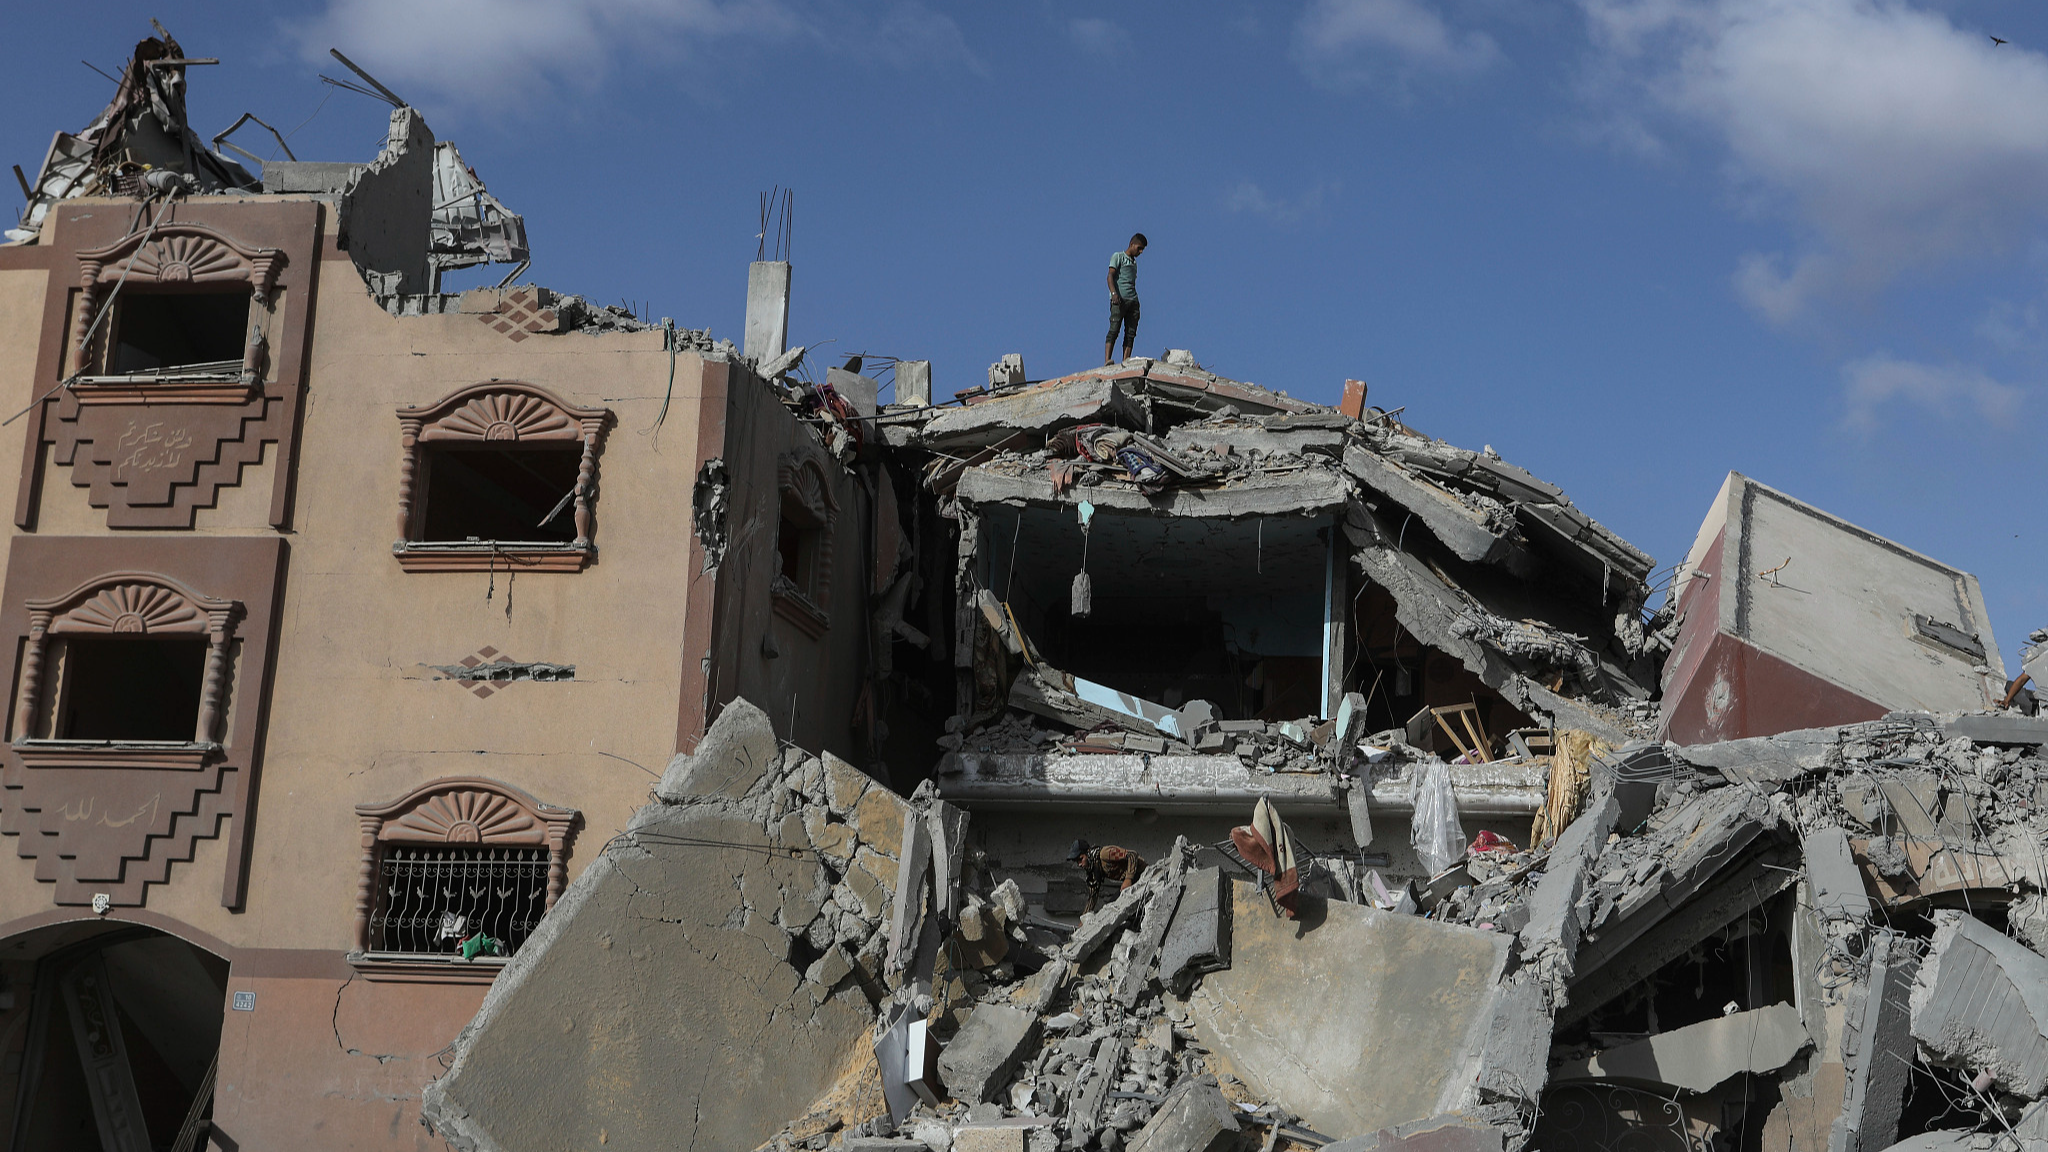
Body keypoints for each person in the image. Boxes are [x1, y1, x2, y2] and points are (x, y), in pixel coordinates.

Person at [1104, 233, 1147, 366]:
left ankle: (1125, 361)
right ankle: (1107, 360)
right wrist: (1114, 294)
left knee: (1130, 333)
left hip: (1132, 300)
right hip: (1119, 299)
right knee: (1114, 329)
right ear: (1131, 244)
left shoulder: (1134, 263)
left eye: (1142, 250)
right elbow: (1110, 276)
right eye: (1139, 248)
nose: (1140, 252)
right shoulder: (1118, 257)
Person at [1069, 838, 1145, 913]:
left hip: (1143, 874)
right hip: (1133, 882)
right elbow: (1093, 896)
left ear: (1088, 853)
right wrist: (1084, 919)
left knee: (1115, 906)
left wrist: (1128, 879)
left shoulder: (1104, 854)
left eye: (1081, 859)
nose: (1079, 864)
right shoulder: (1094, 870)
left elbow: (1132, 855)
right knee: (1109, 908)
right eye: (1077, 862)